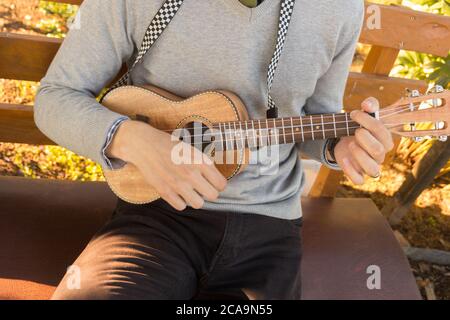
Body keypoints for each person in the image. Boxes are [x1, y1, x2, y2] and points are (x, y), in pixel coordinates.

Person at [34, 0, 393, 300]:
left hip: (268, 227)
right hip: (157, 215)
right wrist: (134, 139)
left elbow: (314, 116)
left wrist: (337, 146)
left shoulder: (338, 8)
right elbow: (56, 97)